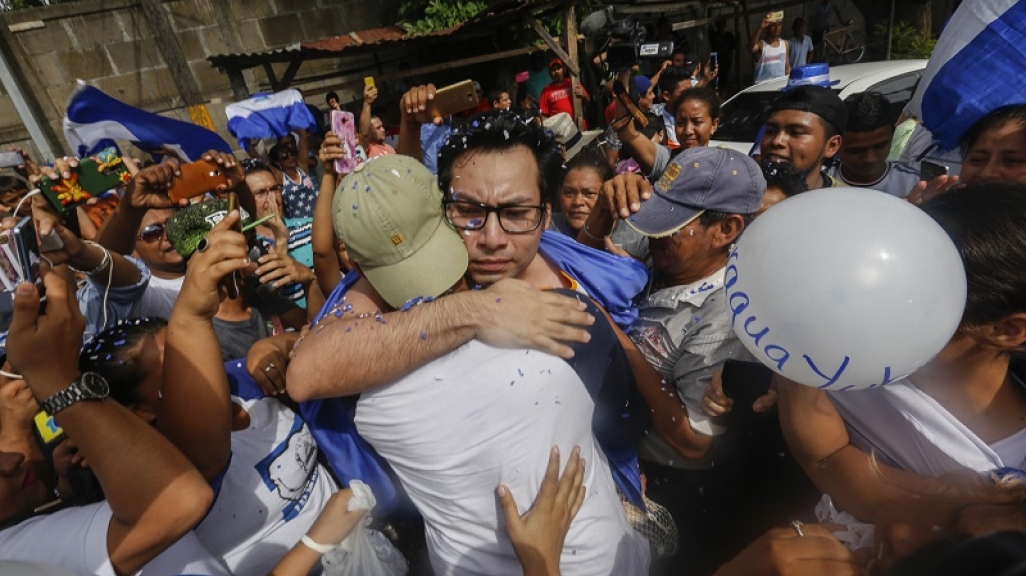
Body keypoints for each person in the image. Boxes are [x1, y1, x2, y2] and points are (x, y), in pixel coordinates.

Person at [297, 153, 651, 576]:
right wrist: (478, 309)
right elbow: (624, 427)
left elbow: (307, 371)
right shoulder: (566, 319)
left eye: (516, 213)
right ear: (449, 216)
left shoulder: (360, 393)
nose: (492, 240)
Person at [79, 210, 342, 574]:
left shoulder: (238, 378)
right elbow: (208, 456)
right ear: (139, 412)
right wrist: (330, 530)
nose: (197, 362)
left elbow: (319, 341)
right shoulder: (170, 477)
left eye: (187, 348)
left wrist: (274, 347)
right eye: (173, 368)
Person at [774, 182, 1026, 534]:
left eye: (917, 297)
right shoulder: (852, 352)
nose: (877, 303)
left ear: (1006, 329)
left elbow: (832, 461)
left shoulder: (1007, 492)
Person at [599, 147, 766, 576]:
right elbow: (595, 253)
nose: (655, 236)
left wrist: (620, 342)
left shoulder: (727, 315)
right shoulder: (663, 254)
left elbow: (695, 442)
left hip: (674, 483)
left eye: (673, 225)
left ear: (726, 229)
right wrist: (604, 210)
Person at [0, 270, 223, 575]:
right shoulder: (12, 554)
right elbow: (179, 500)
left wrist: (66, 489)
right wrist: (57, 379)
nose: (13, 459)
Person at [906, 104, 1026, 205]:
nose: (987, 173)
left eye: (1012, 160)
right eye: (977, 160)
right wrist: (920, 215)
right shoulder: (942, 217)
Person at [611, 86, 722, 179]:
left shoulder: (726, 165)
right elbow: (626, 133)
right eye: (680, 123)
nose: (688, 131)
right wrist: (623, 76)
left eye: (697, 122)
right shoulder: (665, 161)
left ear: (714, 125)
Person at [829, 91, 920, 196]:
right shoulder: (819, 184)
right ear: (836, 144)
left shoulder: (913, 186)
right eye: (856, 151)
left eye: (880, 147)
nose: (869, 159)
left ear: (892, 135)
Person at [759, 85, 847, 190]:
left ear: (831, 146)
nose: (777, 141)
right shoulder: (740, 192)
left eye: (796, 132)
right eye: (770, 131)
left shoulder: (846, 202)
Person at [550, 147, 613, 237]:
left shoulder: (626, 238)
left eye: (589, 193)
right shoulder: (545, 229)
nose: (577, 202)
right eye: (569, 193)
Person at [359, 83, 396, 159]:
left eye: (382, 126)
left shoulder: (390, 148)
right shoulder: (367, 149)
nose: (383, 129)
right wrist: (367, 103)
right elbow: (364, 133)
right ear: (370, 131)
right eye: (378, 128)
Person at [750, 12, 790, 84]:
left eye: (779, 25)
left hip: (780, 88)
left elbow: (787, 67)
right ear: (767, 28)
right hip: (763, 89)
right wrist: (760, 27)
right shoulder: (761, 45)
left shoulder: (785, 44)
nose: (776, 28)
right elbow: (751, 47)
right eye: (773, 25)